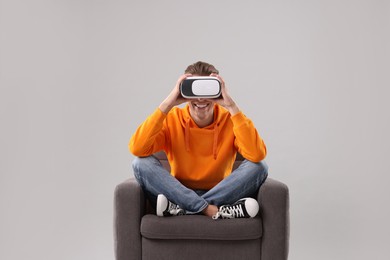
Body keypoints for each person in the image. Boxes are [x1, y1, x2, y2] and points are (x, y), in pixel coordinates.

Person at [129, 61, 268, 219]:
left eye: (208, 90)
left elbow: (256, 155)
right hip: (177, 191)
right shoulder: (173, 119)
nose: (201, 98)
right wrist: (168, 104)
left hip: (219, 192)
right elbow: (137, 148)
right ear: (183, 91)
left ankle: (184, 209)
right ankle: (213, 210)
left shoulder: (230, 120)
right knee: (140, 164)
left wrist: (232, 106)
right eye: (194, 90)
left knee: (259, 167)